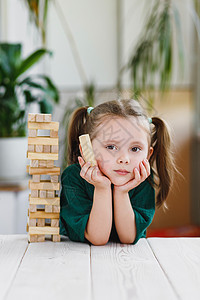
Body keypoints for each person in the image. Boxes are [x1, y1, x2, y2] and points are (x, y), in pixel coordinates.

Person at [60, 99, 176, 245]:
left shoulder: (141, 178)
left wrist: (121, 191)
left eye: (135, 149)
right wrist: (102, 188)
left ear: (148, 154)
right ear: (86, 148)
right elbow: (97, 238)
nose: (124, 159)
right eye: (111, 147)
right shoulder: (73, 177)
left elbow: (128, 238)